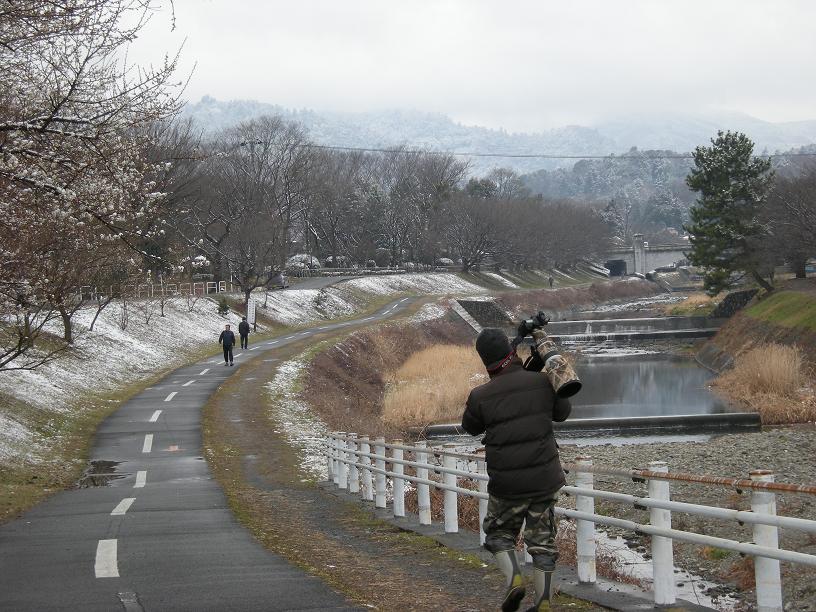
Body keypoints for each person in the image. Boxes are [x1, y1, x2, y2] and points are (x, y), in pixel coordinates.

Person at [461, 328, 571, 612]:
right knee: (543, 541)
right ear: (512, 353)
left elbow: (471, 427)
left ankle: (514, 582)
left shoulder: (480, 395)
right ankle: (544, 602)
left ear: (485, 361)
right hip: (545, 479)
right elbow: (562, 413)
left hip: (507, 483)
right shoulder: (543, 381)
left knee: (499, 534)